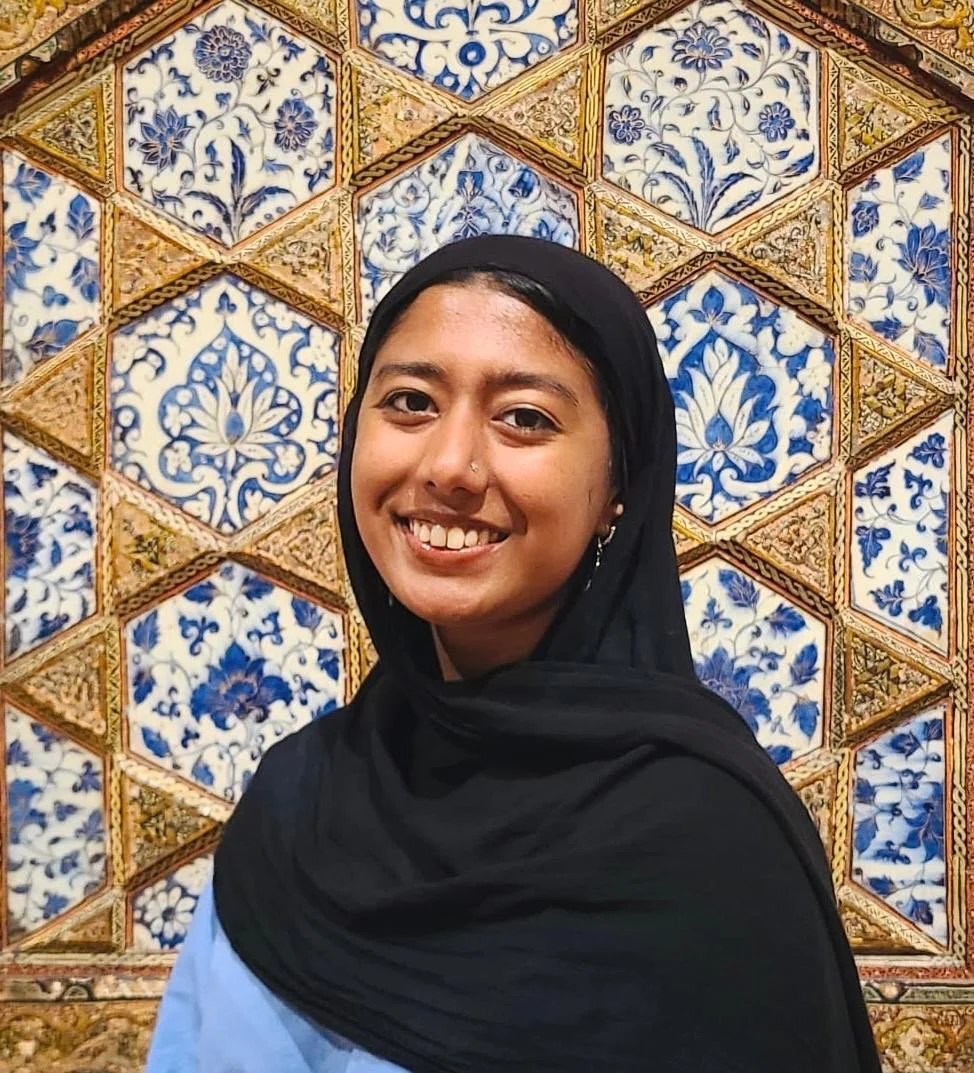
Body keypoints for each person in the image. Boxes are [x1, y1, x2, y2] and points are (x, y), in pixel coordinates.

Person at [145, 235, 882, 1073]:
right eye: (410, 402)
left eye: (524, 418)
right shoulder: (296, 800)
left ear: (618, 487)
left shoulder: (709, 846)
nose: (450, 465)